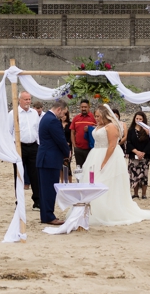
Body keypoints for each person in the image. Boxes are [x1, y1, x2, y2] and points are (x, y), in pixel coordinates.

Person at [63, 106, 147, 226]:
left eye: (98, 116)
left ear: (105, 115)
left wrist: (104, 161)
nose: (96, 118)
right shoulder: (99, 126)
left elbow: (112, 145)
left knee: (105, 181)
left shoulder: (111, 126)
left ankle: (107, 211)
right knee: (91, 181)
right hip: (95, 153)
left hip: (109, 155)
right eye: (95, 116)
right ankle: (92, 210)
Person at [35, 98, 67, 226]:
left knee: (44, 189)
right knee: (49, 189)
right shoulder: (52, 120)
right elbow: (60, 139)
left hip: (44, 158)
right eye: (64, 113)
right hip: (50, 159)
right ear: (59, 109)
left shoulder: (45, 118)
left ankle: (45, 215)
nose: (64, 116)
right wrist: (67, 152)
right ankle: (48, 216)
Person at [15, 90, 41, 202]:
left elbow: (38, 129)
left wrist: (39, 143)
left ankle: (37, 200)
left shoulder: (34, 113)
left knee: (35, 174)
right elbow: (8, 131)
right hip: (20, 147)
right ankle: (19, 200)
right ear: (19, 100)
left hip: (33, 146)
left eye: (29, 99)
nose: (28, 101)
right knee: (19, 174)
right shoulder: (13, 113)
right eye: (26, 99)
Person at [125, 110, 150, 199]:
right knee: (134, 175)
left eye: (140, 119)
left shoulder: (147, 130)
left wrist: (143, 153)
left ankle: (144, 194)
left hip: (145, 156)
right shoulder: (131, 130)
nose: (138, 120)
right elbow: (128, 143)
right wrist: (136, 152)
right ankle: (135, 193)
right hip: (134, 155)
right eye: (137, 118)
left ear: (144, 120)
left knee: (144, 175)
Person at [71, 100, 96, 170]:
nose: (83, 109)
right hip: (78, 149)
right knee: (79, 170)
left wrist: (90, 128)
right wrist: (74, 145)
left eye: (85, 107)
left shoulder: (94, 118)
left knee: (90, 169)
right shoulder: (76, 118)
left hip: (90, 149)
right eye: (82, 107)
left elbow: (98, 129)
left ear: (89, 107)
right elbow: (72, 132)